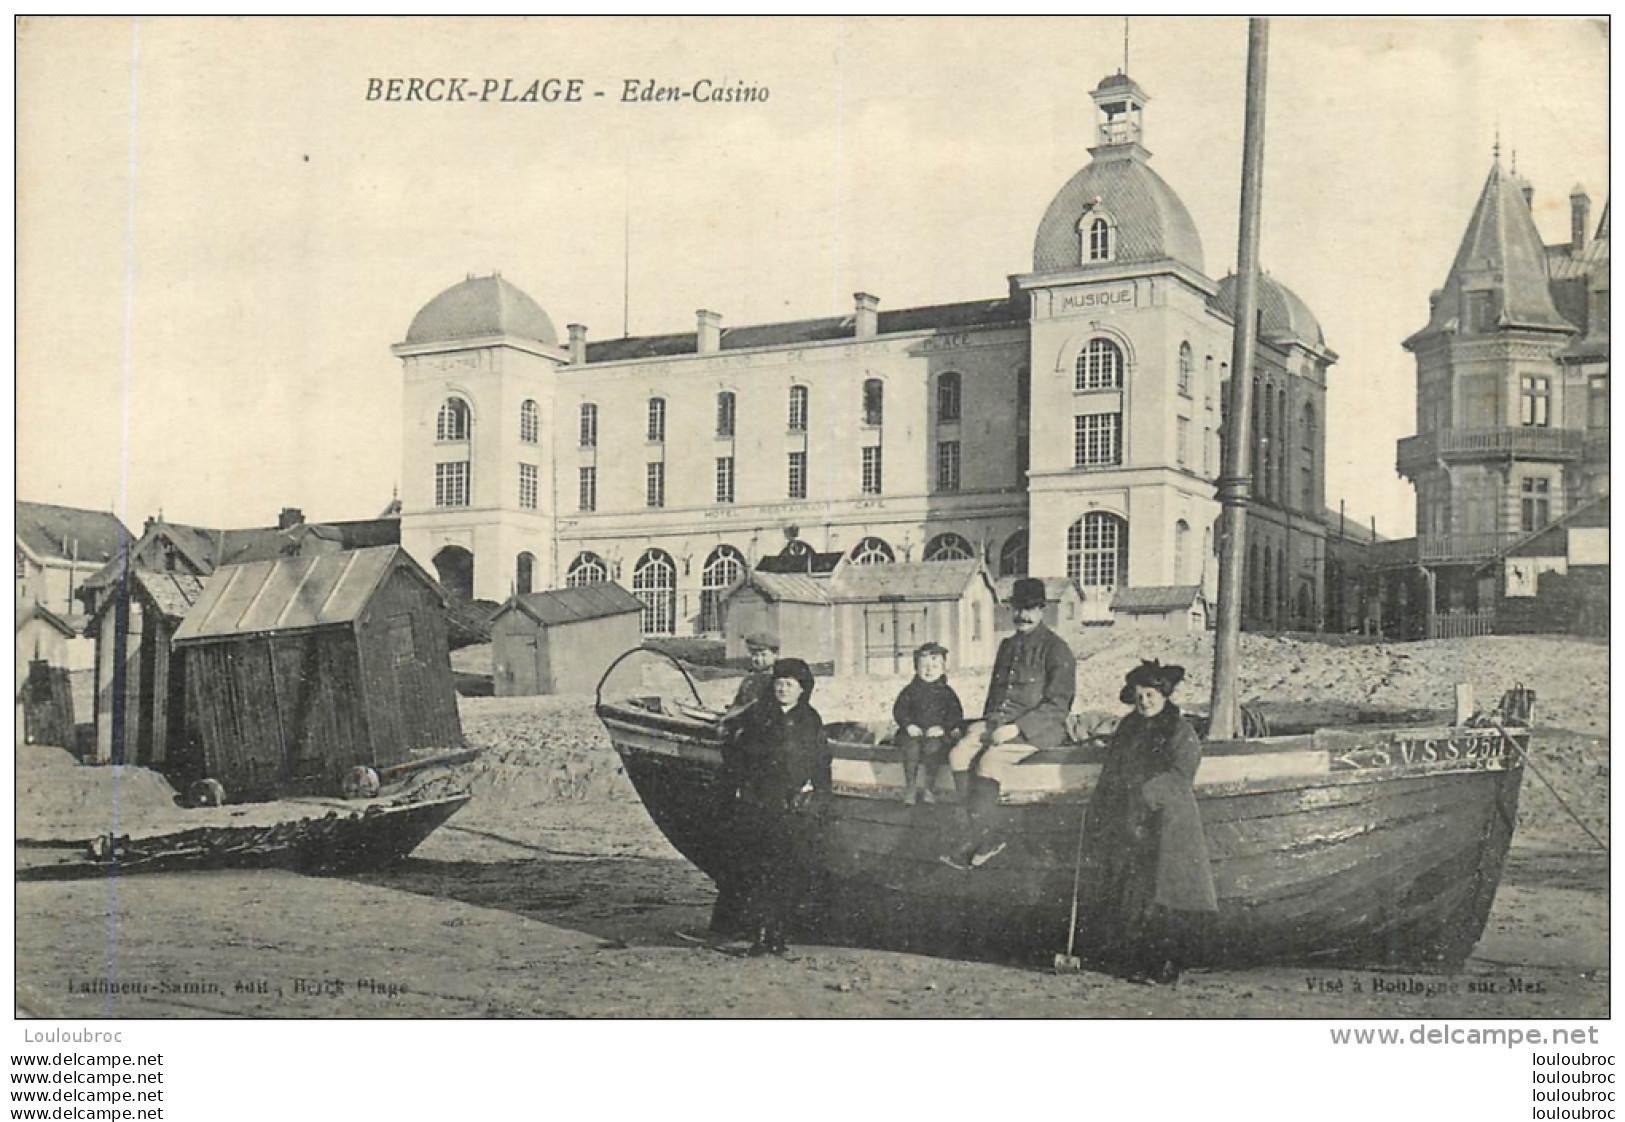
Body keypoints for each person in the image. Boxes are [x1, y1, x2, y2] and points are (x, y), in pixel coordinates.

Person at [1077, 659, 1217, 985]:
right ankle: (1134, 961)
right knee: (1129, 892)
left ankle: (1165, 965)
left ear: (1164, 695)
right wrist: (1099, 807)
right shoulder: (1128, 728)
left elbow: (1181, 774)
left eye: (1151, 695)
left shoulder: (1179, 731)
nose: (1145, 702)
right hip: (1128, 822)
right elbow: (1111, 771)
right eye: (1139, 696)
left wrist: (1144, 795)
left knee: (1164, 896)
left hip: (1166, 824)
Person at [943, 577, 1076, 868]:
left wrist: (1016, 728)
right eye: (1018, 609)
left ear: (1042, 610)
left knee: (988, 762)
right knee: (957, 754)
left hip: (1040, 730)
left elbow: (1058, 706)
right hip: (1000, 723)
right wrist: (987, 725)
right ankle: (973, 832)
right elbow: (996, 695)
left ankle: (989, 837)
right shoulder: (1007, 646)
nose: (1022, 616)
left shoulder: (1056, 649)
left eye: (1030, 609)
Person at [730, 657, 831, 956]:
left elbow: (821, 758)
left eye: (790, 684)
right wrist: (743, 782)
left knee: (790, 870)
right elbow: (735, 750)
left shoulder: (810, 719)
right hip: (762, 802)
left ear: (802, 689)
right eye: (779, 683)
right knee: (762, 867)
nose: (783, 689)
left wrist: (819, 790)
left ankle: (779, 934)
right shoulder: (758, 715)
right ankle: (760, 935)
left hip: (795, 805)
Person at [709, 630, 781, 937]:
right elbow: (739, 705)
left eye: (764, 654)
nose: (758, 658)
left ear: (775, 655)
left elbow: (756, 713)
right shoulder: (750, 681)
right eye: (755, 653)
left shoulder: (776, 683)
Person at [891, 642, 964, 805]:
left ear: (943, 668)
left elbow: (956, 715)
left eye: (935, 666)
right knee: (911, 749)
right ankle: (910, 787)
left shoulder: (947, 693)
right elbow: (899, 710)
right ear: (916, 668)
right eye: (924, 666)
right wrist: (908, 725)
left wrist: (943, 728)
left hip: (936, 735)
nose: (929, 670)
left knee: (933, 749)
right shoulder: (910, 690)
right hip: (912, 733)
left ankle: (929, 788)